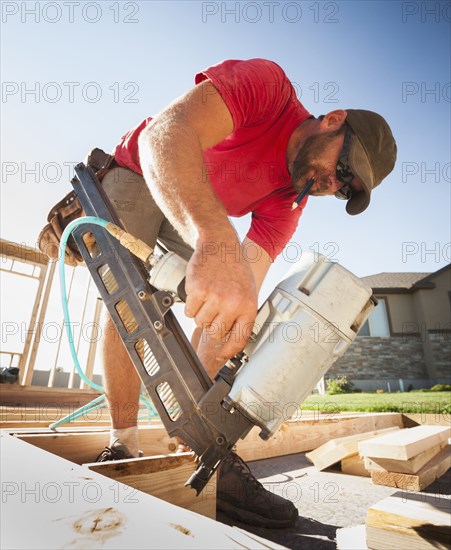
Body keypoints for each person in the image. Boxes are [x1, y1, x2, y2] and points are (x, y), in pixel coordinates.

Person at [94, 58, 397, 528]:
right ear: (333, 120)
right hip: (141, 170)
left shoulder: (288, 202)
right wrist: (215, 240)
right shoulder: (268, 88)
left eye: (343, 187)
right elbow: (164, 136)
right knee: (129, 298)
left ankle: (198, 446)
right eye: (340, 166)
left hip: (193, 212)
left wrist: (203, 420)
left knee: (217, 308)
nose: (330, 183)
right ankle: (122, 442)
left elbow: (237, 300)